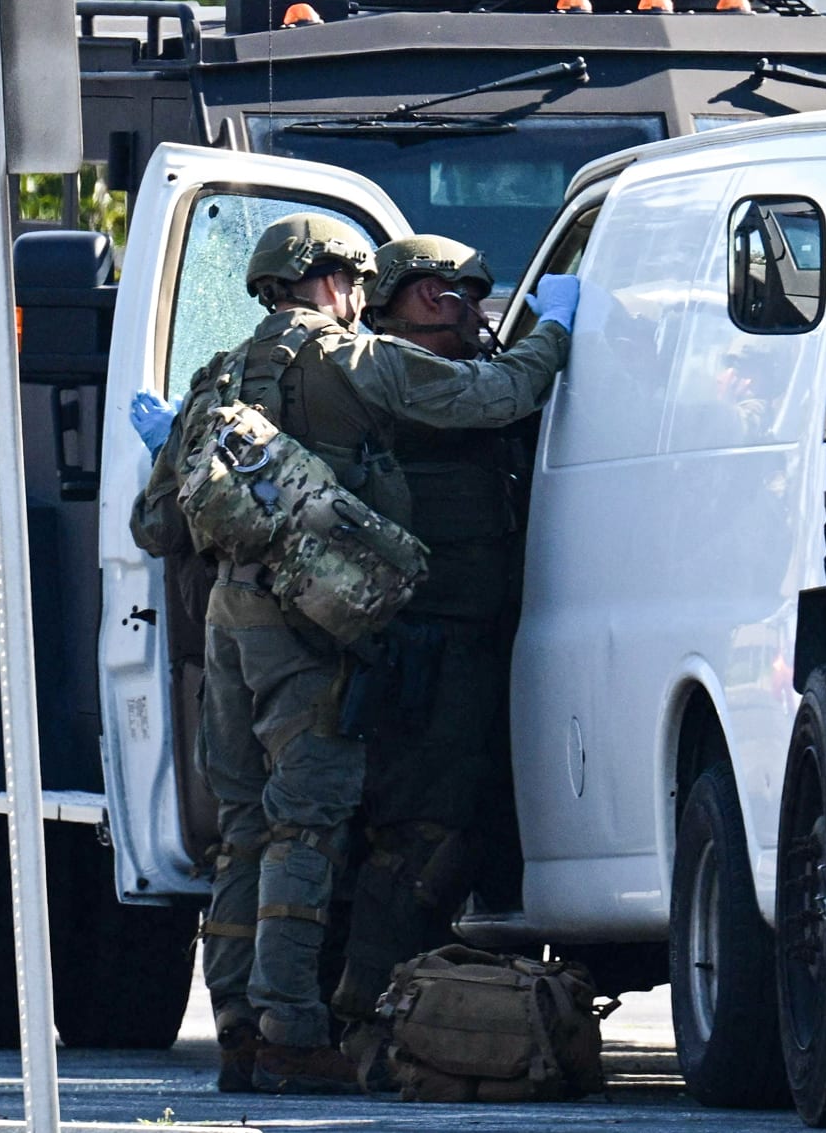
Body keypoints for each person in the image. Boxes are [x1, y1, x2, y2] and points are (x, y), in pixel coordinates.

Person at [136, 212, 578, 1094]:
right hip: (308, 619)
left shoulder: (216, 377)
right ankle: (292, 1029)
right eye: (355, 280)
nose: (360, 295)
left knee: (242, 830)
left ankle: (236, 1031)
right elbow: (490, 397)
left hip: (230, 615)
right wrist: (553, 332)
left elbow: (152, 522)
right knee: (309, 820)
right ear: (330, 279)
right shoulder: (347, 358)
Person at [328, 235, 536, 1085]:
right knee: (417, 837)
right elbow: (500, 394)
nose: (462, 306)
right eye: (438, 292)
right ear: (388, 304)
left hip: (475, 642)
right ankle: (362, 1020)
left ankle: (397, 1014)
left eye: (472, 292)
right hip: (422, 647)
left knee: (450, 829)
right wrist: (548, 336)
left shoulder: (448, 374)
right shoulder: (392, 376)